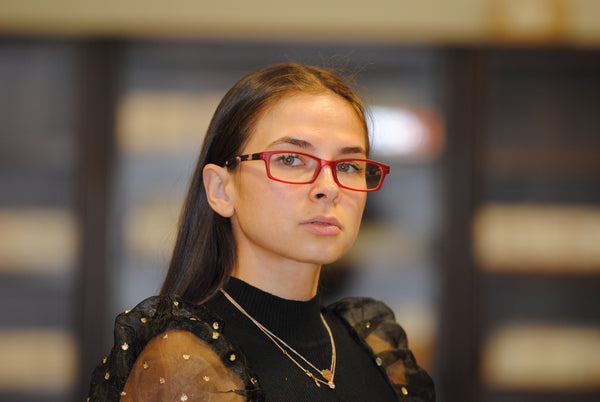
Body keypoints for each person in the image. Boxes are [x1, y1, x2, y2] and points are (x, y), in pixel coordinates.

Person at [87, 63, 435, 401]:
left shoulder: (376, 349)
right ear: (221, 189)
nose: (329, 188)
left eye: (348, 165)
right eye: (291, 159)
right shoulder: (187, 363)